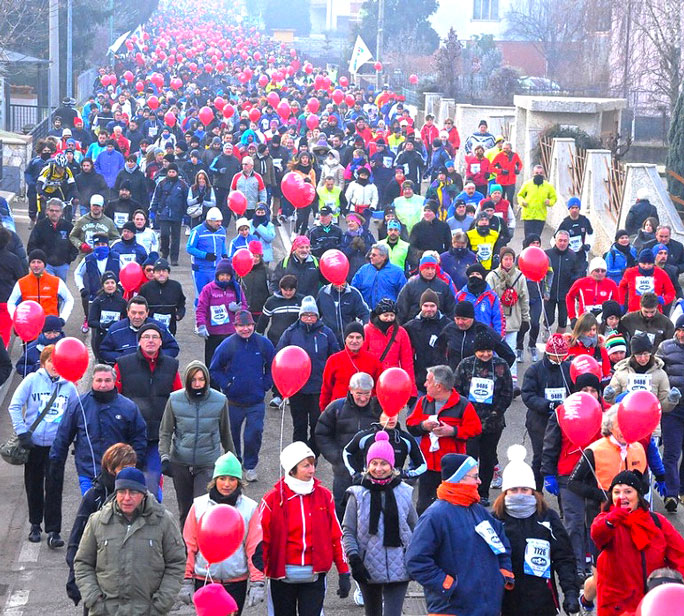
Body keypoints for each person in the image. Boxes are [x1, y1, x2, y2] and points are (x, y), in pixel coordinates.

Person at [406, 453, 513, 616]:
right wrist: (447, 585)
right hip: (452, 609)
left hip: (486, 608)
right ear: (459, 479)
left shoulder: (479, 511)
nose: (480, 481)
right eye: (475, 476)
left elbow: (501, 543)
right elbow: (416, 560)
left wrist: (504, 574)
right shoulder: (434, 516)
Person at [567, 407, 649, 613]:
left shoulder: (638, 449)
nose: (624, 430)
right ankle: (587, 598)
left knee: (630, 575)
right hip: (601, 522)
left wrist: (634, 490)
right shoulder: (594, 450)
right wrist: (603, 494)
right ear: (610, 425)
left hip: (634, 523)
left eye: (628, 424)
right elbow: (573, 483)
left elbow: (646, 485)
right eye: (620, 425)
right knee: (601, 577)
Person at [73, 467, 186, 616]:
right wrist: (94, 600)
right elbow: (83, 563)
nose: (127, 497)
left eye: (133, 492)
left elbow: (176, 563)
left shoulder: (163, 521)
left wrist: (161, 605)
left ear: (143, 494)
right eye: (122, 491)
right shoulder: (97, 521)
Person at [259, 441, 351, 615]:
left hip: (314, 577)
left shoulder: (325, 496)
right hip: (281, 578)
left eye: (313, 465)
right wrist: (257, 578)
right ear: (291, 469)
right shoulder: (271, 500)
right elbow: (261, 540)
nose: (312, 470)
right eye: (306, 466)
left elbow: (336, 537)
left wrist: (343, 571)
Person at [491, 445, 579, 616]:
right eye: (514, 490)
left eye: (524, 489)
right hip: (505, 603)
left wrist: (570, 593)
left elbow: (564, 558)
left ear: (532, 490)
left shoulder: (547, 518)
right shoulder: (495, 520)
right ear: (505, 492)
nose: (520, 494)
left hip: (542, 603)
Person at [8, 345, 79, 547]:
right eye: (51, 361)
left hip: (57, 446)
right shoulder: (32, 380)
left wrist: (74, 440)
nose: (55, 366)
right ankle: (35, 525)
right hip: (34, 444)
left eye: (59, 362)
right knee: (34, 485)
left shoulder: (69, 386)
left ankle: (54, 531)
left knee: (55, 487)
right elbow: (14, 405)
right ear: (43, 362)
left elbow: (75, 416)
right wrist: (22, 432)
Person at [342, 431, 417, 615]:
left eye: (383, 463)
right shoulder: (357, 493)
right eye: (374, 463)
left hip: (399, 565)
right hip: (367, 565)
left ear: (392, 465)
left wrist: (415, 556)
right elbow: (348, 530)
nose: (378, 468)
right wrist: (354, 558)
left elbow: (416, 528)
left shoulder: (404, 492)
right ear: (367, 465)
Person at [180, 452, 264, 615]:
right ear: (215, 480)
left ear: (239, 482)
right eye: (222, 478)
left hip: (236, 583)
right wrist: (186, 580)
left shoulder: (250, 508)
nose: (227, 484)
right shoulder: (198, 506)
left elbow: (254, 547)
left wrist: (257, 582)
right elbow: (188, 544)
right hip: (203, 580)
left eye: (232, 479)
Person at [590, 470, 684, 614]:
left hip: (652, 604)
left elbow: (679, 555)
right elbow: (598, 533)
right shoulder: (605, 521)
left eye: (628, 491)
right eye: (616, 492)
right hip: (617, 608)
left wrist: (674, 589)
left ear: (638, 496)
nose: (622, 496)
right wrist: (613, 518)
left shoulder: (657, 522)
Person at [541, 372, 605, 579]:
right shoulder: (561, 413)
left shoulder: (605, 416)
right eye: (584, 390)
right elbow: (550, 445)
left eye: (593, 390)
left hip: (596, 476)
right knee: (574, 521)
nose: (589, 394)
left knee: (595, 522)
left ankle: (596, 564)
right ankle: (576, 565)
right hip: (568, 475)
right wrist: (548, 473)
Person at [158, 360, 235, 527]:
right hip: (180, 463)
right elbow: (165, 431)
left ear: (207, 380)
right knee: (185, 510)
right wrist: (164, 457)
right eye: (193, 380)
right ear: (187, 381)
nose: (197, 383)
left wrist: (232, 461)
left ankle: (202, 549)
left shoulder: (220, 401)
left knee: (202, 509)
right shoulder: (174, 400)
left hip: (207, 464)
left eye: (201, 379)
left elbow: (225, 433)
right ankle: (185, 550)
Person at [50, 364, 147, 494]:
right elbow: (63, 436)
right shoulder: (78, 405)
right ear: (93, 381)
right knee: (91, 510)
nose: (103, 385)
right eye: (99, 380)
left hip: (119, 474)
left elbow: (139, 438)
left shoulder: (128, 407)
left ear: (114, 381)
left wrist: (134, 464)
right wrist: (55, 463)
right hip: (88, 471)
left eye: (107, 380)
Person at [65, 443, 138, 608]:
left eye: (133, 467)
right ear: (111, 468)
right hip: (98, 581)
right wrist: (78, 582)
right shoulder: (94, 497)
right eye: (125, 468)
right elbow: (76, 541)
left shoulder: (140, 498)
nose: (130, 473)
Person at [114, 322, 182, 496]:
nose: (150, 340)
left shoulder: (171, 365)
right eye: (146, 337)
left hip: (158, 437)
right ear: (139, 341)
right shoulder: (123, 365)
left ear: (161, 342)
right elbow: (114, 399)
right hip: (129, 436)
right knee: (127, 483)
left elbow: (179, 399)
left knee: (151, 484)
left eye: (155, 337)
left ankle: (153, 516)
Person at [406, 365, 482, 514]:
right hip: (428, 466)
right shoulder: (423, 402)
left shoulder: (462, 404)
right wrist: (423, 426)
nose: (425, 384)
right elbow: (410, 424)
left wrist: (453, 431)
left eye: (428, 381)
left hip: (452, 470)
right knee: (423, 507)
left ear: (438, 386)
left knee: (452, 507)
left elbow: (476, 430)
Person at [209, 310, 274, 483]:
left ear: (253, 325)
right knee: (231, 436)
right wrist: (227, 384)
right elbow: (214, 369)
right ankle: (235, 465)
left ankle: (250, 466)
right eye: (241, 326)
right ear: (235, 326)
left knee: (254, 434)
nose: (245, 329)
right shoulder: (227, 345)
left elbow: (273, 366)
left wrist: (266, 384)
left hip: (256, 401)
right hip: (233, 402)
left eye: (249, 325)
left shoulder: (263, 343)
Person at [455, 330, 514, 505]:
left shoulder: (501, 365)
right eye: (482, 351)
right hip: (469, 422)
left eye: (489, 350)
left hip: (493, 423)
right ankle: (468, 490)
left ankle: (483, 493)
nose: (485, 354)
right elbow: (457, 391)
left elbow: (507, 393)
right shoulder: (465, 365)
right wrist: (465, 414)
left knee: (488, 458)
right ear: (475, 351)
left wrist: (496, 413)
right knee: (470, 457)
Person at [276, 297, 340, 453]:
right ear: (300, 316)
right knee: (299, 425)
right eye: (306, 315)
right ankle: (299, 455)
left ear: (318, 316)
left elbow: (335, 357)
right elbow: (279, 355)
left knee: (317, 424)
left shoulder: (326, 333)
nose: (309, 318)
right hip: (297, 389)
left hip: (319, 387)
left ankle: (312, 454)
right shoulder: (290, 333)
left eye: (312, 315)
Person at [316, 372, 381, 520]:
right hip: (343, 470)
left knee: (370, 508)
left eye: (367, 394)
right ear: (350, 389)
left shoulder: (378, 408)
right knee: (341, 506)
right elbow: (322, 434)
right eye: (359, 393)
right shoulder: (336, 408)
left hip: (371, 469)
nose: (363, 398)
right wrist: (337, 457)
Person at [521, 334, 572, 491]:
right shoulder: (534, 370)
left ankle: (563, 494)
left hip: (563, 421)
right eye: (556, 356)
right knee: (540, 457)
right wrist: (548, 405)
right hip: (539, 422)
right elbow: (528, 395)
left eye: (563, 356)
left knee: (562, 456)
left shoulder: (568, 368)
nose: (559, 359)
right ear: (548, 353)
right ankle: (536, 493)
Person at [603, 333, 679, 411]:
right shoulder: (621, 372)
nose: (643, 358)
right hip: (626, 418)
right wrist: (609, 397)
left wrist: (671, 400)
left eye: (646, 354)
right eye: (639, 355)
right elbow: (614, 404)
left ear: (651, 353)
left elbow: (663, 406)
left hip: (651, 419)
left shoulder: (660, 374)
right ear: (633, 355)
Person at [487, 247, 529, 382]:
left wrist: (525, 318)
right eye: (506, 259)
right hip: (496, 321)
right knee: (494, 351)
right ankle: (495, 378)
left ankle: (512, 380)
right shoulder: (492, 276)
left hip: (513, 320)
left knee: (511, 351)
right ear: (501, 260)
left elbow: (524, 298)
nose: (508, 262)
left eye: (511, 259)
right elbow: (488, 298)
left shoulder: (520, 276)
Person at [319, 322, 383, 411]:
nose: (354, 341)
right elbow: (326, 389)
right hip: (339, 410)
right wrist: (324, 411)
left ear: (363, 340)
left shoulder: (373, 360)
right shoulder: (334, 360)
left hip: (366, 410)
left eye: (358, 337)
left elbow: (379, 388)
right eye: (351, 337)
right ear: (345, 339)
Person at [196, 258, 248, 366]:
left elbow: (244, 306)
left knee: (232, 363)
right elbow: (201, 309)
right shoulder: (208, 289)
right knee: (212, 363)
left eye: (227, 275)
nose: (225, 278)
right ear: (217, 275)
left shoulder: (236, 289)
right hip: (213, 334)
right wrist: (201, 325)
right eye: (222, 275)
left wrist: (238, 309)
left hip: (231, 333)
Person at [656, 316, 684, 512]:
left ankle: (682, 489)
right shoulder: (665, 347)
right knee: (672, 452)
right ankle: (671, 494)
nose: (682, 334)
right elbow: (656, 371)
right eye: (680, 330)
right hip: (673, 409)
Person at [99, 296, 180, 364]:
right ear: (127, 312)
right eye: (133, 312)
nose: (137, 316)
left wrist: (155, 357)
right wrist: (124, 358)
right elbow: (104, 351)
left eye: (141, 313)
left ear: (147, 313)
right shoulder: (115, 330)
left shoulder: (160, 328)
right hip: (126, 373)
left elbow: (173, 349)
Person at [438, 300, 516, 371]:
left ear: (472, 318)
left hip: (478, 379)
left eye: (464, 319)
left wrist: (496, 373)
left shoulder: (484, 330)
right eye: (457, 318)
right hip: (455, 379)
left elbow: (509, 355)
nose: (460, 322)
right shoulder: (449, 329)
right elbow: (437, 351)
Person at [7, 249, 74, 324]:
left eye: (39, 262)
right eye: (33, 262)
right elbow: (11, 303)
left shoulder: (56, 282)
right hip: (29, 326)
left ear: (44, 264)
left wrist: (63, 318)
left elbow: (69, 300)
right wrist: (16, 319)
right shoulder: (21, 283)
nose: (36, 265)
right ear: (29, 264)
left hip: (50, 329)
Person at [363, 299, 416, 383]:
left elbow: (407, 362)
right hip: (373, 378)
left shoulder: (401, 332)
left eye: (392, 315)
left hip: (394, 379)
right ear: (378, 315)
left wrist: (411, 389)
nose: (389, 318)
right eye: (386, 315)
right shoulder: (367, 331)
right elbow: (362, 357)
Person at [396, 253, 456, 324]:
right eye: (427, 268)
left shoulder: (443, 287)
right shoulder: (410, 286)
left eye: (433, 268)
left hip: (439, 328)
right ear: (420, 269)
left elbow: (451, 311)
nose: (430, 272)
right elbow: (401, 311)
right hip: (415, 328)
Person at [26, 197, 76, 281]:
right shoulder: (40, 226)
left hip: (63, 265)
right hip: (46, 265)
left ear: (61, 212)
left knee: (60, 290)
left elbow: (75, 244)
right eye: (52, 210)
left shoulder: (68, 227)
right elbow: (32, 245)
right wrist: (38, 261)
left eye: (57, 211)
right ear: (47, 211)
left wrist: (69, 259)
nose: (54, 213)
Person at [150, 162, 189, 266]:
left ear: (177, 173)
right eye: (170, 171)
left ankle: (174, 258)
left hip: (177, 214)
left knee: (176, 237)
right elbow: (156, 197)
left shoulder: (183, 185)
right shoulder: (161, 183)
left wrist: (186, 213)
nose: (171, 173)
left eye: (173, 172)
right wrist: (153, 210)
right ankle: (164, 253)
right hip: (163, 213)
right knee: (164, 235)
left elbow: (186, 200)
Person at [544, 230, 583, 333]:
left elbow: (578, 272)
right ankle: (546, 331)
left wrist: (573, 278)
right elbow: (541, 272)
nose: (562, 243)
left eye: (565, 241)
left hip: (565, 294)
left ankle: (559, 340)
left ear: (568, 241)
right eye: (560, 240)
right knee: (549, 319)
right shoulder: (547, 254)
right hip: (550, 293)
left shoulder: (573, 256)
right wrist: (544, 290)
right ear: (555, 241)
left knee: (563, 320)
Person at [186, 206, 228, 299]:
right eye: (217, 221)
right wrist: (205, 255)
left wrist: (224, 255)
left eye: (220, 221)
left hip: (216, 270)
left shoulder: (222, 230)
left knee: (216, 296)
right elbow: (189, 248)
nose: (219, 224)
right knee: (201, 297)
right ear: (209, 221)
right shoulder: (197, 231)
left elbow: (222, 244)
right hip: (200, 270)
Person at [137, 258, 186, 336]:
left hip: (170, 327)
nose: (161, 273)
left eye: (164, 271)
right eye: (158, 271)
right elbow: (138, 305)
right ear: (154, 273)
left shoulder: (176, 286)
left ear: (168, 273)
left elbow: (181, 304)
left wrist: (179, 315)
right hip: (149, 327)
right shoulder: (145, 288)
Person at [566, 257, 619, 328]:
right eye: (597, 270)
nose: (600, 273)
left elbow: (616, 303)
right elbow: (569, 297)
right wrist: (572, 317)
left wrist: (613, 320)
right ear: (591, 271)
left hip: (602, 322)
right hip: (584, 321)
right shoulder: (580, 283)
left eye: (603, 271)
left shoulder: (611, 284)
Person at [618, 248, 676, 313]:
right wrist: (621, 303)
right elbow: (621, 288)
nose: (646, 266)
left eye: (649, 263)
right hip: (634, 312)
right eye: (643, 263)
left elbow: (671, 292)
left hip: (654, 312)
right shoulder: (630, 272)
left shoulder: (661, 273)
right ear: (639, 262)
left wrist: (664, 299)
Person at [351, 243, 406, 309]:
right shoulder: (363, 270)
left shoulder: (397, 272)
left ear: (383, 257)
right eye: (370, 254)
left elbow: (404, 295)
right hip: (367, 313)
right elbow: (354, 290)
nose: (370, 256)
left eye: (374, 255)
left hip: (388, 315)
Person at [455, 263, 504, 336]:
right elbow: (455, 317)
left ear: (483, 277)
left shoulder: (492, 296)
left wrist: (499, 339)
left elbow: (498, 319)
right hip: (465, 336)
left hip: (486, 337)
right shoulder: (460, 295)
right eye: (472, 274)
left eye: (478, 274)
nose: (475, 276)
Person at [256, 274, 302, 348]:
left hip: (296, 341)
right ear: (281, 288)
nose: (288, 293)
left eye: (291, 290)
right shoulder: (271, 301)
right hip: (275, 340)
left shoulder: (302, 301)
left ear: (295, 289)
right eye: (285, 290)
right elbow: (263, 320)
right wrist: (258, 335)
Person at [566, 313, 612, 378]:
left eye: (594, 329)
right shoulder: (571, 347)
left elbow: (606, 372)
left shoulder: (600, 348)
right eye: (588, 330)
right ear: (580, 330)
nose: (592, 333)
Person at [517, 164, 557, 237]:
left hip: (540, 216)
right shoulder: (527, 184)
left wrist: (550, 202)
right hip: (528, 215)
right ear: (533, 174)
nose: (539, 175)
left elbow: (554, 198)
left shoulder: (548, 186)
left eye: (540, 173)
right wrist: (522, 202)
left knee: (537, 238)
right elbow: (520, 195)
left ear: (543, 174)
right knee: (528, 238)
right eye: (537, 173)